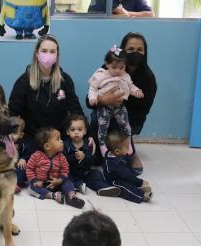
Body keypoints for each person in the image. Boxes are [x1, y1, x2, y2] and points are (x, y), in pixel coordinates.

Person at [87, 32, 157, 173]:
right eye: (130, 49)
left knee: (120, 125)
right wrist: (102, 100)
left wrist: (121, 104)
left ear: (145, 53)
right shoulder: (107, 69)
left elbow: (143, 110)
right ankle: (102, 147)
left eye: (139, 50)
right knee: (95, 159)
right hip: (104, 112)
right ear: (122, 51)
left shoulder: (148, 78)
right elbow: (89, 99)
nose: (135, 53)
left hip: (129, 119)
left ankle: (129, 150)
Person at [9, 34, 92, 151]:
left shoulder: (65, 80)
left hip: (59, 138)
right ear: (36, 53)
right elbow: (14, 114)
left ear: (57, 55)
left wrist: (87, 135)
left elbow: (75, 110)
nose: (48, 55)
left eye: (52, 51)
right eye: (44, 51)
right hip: (32, 138)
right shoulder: (23, 81)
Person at [88, 45, 144, 156]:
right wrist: (93, 98)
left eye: (121, 67)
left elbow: (131, 86)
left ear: (125, 66)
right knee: (103, 127)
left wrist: (137, 91)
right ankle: (102, 145)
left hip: (119, 107)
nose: (118, 71)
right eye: (114, 67)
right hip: (104, 107)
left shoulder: (126, 76)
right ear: (107, 64)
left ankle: (128, 144)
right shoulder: (101, 75)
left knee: (126, 125)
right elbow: (92, 88)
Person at [27, 127, 85, 209]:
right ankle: (54, 196)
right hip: (42, 184)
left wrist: (59, 180)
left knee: (68, 183)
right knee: (31, 188)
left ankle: (72, 196)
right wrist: (35, 181)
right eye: (58, 139)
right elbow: (29, 168)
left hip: (57, 182)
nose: (62, 141)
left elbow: (65, 170)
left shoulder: (61, 157)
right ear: (47, 146)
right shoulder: (36, 156)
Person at [63, 114, 121, 197]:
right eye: (72, 130)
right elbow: (63, 161)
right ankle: (78, 185)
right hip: (72, 173)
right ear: (68, 132)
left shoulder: (88, 143)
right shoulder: (66, 144)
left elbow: (93, 159)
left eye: (80, 129)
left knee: (96, 174)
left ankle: (103, 187)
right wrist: (74, 157)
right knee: (65, 177)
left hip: (86, 172)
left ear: (85, 131)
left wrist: (85, 157)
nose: (76, 132)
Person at [102, 131, 152, 203]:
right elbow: (127, 175)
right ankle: (142, 196)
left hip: (122, 176)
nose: (129, 148)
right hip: (113, 181)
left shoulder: (116, 154)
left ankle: (139, 188)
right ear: (117, 151)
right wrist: (140, 182)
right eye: (127, 147)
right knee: (125, 187)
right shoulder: (114, 164)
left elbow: (127, 171)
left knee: (129, 182)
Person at [11, 116, 35, 194]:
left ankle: (15, 184)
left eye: (14, 133)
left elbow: (29, 153)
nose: (10, 135)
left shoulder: (23, 144)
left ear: (21, 135)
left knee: (22, 169)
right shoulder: (2, 142)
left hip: (16, 166)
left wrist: (23, 158)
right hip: (5, 167)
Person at [88, 0, 154, 17]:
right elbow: (91, 17)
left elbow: (151, 14)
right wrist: (112, 16)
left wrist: (128, 14)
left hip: (129, 33)